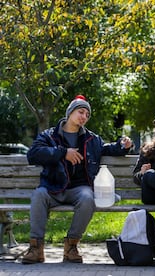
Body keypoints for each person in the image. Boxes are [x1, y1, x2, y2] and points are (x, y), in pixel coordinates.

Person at [23, 95, 133, 264]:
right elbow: (33, 154)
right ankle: (36, 248)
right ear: (70, 112)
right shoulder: (49, 135)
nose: (84, 117)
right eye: (81, 112)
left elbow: (107, 149)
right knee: (38, 195)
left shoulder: (92, 139)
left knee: (88, 198)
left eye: (87, 115)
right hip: (53, 187)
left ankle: (71, 246)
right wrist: (63, 153)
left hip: (79, 188)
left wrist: (122, 146)